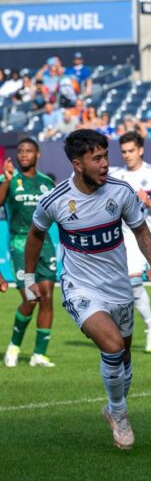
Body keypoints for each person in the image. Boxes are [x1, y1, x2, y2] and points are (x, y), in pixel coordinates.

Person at [25, 129, 151, 449]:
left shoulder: (121, 192)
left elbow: (141, 229)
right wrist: (28, 279)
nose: (105, 164)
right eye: (97, 159)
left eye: (106, 157)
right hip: (80, 288)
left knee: (125, 359)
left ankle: (113, 406)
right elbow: (35, 235)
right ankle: (118, 413)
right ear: (77, 164)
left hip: (118, 287)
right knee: (113, 347)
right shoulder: (55, 200)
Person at [110, 132, 151, 354]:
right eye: (124, 152)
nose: (127, 155)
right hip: (128, 237)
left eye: (131, 151)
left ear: (140, 150)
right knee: (132, 284)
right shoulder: (116, 176)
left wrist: (149, 201)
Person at [1, 139, 58, 367]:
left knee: (47, 298)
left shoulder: (46, 182)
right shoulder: (10, 179)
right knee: (31, 298)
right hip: (20, 243)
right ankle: (14, 345)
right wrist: (6, 178)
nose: (23, 154)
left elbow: (58, 211)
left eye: (29, 151)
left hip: (44, 244)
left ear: (38, 154)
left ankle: (39, 354)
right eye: (21, 151)